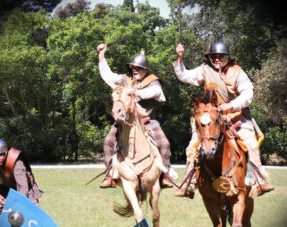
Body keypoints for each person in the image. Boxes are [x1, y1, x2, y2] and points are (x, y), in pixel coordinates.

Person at [172, 41, 275, 198]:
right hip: (211, 118)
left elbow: (248, 95)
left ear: (227, 57)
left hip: (236, 116)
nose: (217, 59)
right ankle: (190, 184)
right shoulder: (205, 70)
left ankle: (259, 182)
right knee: (191, 148)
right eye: (214, 57)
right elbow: (184, 76)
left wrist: (230, 106)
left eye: (220, 57)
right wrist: (180, 58)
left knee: (252, 145)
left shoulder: (237, 72)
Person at [97, 43, 177, 189]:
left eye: (138, 68)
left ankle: (164, 176)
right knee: (108, 141)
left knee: (164, 144)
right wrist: (101, 55)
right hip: (125, 122)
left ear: (145, 70)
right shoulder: (125, 79)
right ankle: (110, 175)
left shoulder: (153, 82)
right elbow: (108, 76)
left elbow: (157, 93)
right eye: (133, 68)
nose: (135, 70)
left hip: (147, 121)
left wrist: (134, 92)